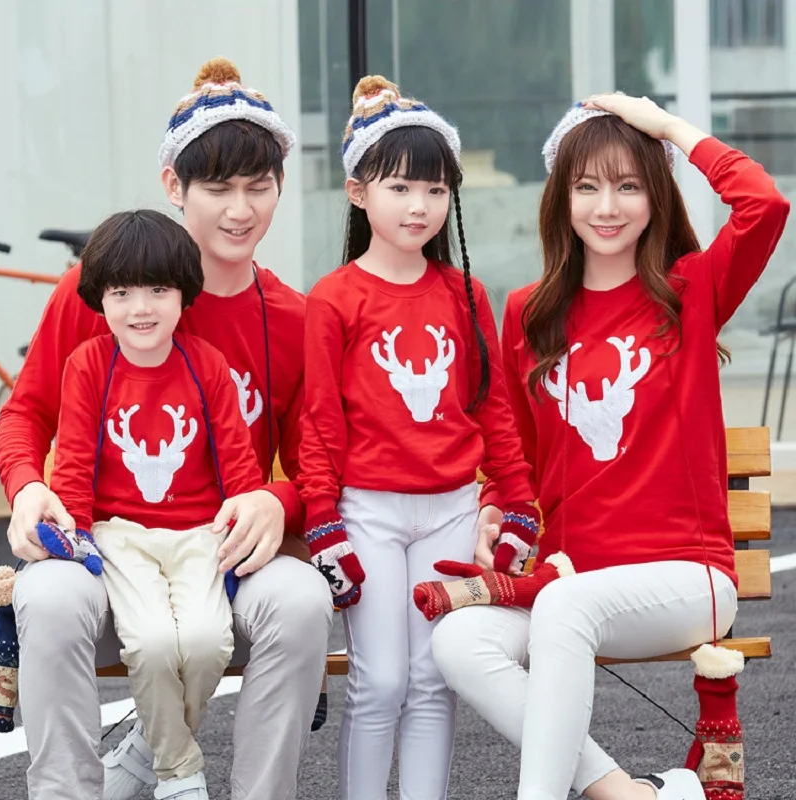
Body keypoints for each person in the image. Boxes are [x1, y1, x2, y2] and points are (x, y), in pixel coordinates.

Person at [430, 94, 789, 800]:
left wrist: (666, 129)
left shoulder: (690, 291)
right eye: (587, 185)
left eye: (628, 185)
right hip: (572, 577)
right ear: (561, 196)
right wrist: (495, 509)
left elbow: (764, 204)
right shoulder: (528, 314)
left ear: (654, 194)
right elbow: (521, 460)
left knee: (566, 609)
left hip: (690, 578)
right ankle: (631, 796)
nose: (607, 205)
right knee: (458, 642)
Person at [0, 58, 333, 800]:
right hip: (104, 544)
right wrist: (25, 488)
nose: (240, 210)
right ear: (175, 186)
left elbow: (321, 464)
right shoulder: (105, 287)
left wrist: (282, 503)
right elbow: (26, 413)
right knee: (47, 600)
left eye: (259, 186)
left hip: (219, 556)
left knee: (304, 601)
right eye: (218, 188)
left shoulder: (296, 319)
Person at [298, 75, 539, 800]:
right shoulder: (333, 298)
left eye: (435, 190)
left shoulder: (465, 295)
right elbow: (319, 423)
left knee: (435, 680)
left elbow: (493, 410)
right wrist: (323, 520)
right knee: (381, 682)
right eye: (401, 187)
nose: (419, 205)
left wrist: (519, 502)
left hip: (451, 509)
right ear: (357, 190)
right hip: (367, 511)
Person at [51, 209, 267, 799]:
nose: (140, 308)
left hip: (201, 533)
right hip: (120, 536)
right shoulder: (88, 365)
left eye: (158, 290)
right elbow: (71, 465)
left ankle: (147, 753)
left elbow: (239, 468)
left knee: (203, 642)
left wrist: (247, 519)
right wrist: (72, 541)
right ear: (99, 299)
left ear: (183, 294)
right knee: (148, 642)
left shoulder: (207, 366)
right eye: (121, 292)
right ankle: (180, 774)